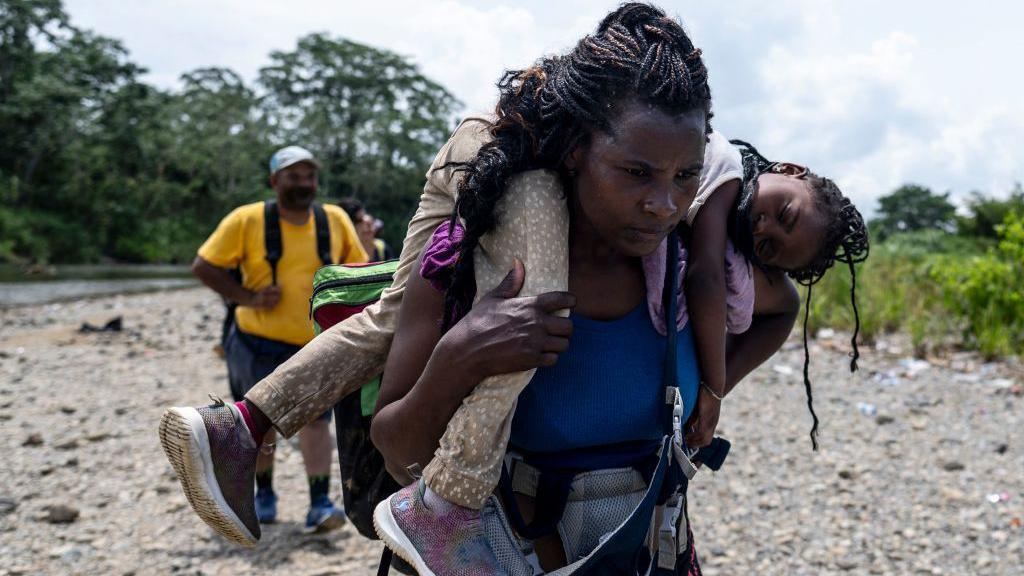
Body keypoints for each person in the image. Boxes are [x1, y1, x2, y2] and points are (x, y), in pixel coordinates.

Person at [157, 4, 866, 558]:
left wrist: (715, 387)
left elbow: (773, 305)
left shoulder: (701, 274)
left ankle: (243, 426)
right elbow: (398, 447)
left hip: (637, 554)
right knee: (414, 312)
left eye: (684, 179)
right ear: (578, 149)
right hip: (496, 553)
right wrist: (463, 353)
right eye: (637, 174)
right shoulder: (484, 258)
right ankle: (433, 508)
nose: (664, 204)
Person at [163, 145, 367, 539]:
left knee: (316, 421)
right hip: (255, 341)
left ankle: (320, 502)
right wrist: (247, 297)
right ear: (275, 181)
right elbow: (203, 266)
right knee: (260, 424)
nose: (303, 184)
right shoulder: (246, 220)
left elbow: (356, 270)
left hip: (315, 344)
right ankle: (265, 496)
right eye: (294, 176)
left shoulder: (335, 220)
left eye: (309, 176)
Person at [339, 197, 394, 262]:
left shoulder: (383, 249)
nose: (366, 228)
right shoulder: (340, 252)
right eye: (359, 221)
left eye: (370, 224)